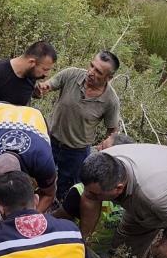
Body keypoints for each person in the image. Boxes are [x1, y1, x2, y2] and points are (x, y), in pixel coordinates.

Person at [40, 51, 121, 203]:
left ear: (109, 77)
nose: (91, 72)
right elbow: (49, 85)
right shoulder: (71, 75)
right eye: (92, 65)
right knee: (42, 179)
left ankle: (59, 212)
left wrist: (106, 149)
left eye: (98, 72)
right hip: (50, 140)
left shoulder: (111, 101)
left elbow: (112, 131)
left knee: (67, 190)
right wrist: (42, 88)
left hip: (76, 152)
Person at [0, 102, 57, 230]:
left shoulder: (42, 159)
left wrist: (27, 222)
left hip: (33, 117)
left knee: (21, 205)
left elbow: (48, 194)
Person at [0, 41, 57, 146]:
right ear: (31, 62)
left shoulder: (30, 76)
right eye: (45, 69)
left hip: (8, 141)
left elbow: (16, 92)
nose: (46, 74)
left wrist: (35, 93)